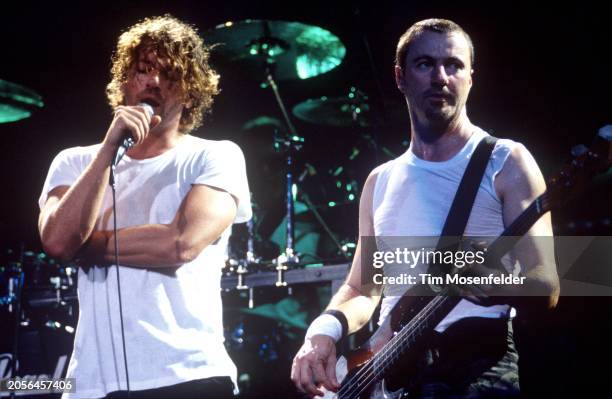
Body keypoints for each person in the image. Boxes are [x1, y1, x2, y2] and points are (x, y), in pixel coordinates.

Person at [291, 18, 559, 398]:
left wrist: (496, 284)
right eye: (425, 64)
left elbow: (546, 285)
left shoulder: (505, 160)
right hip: (392, 372)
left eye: (454, 65)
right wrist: (322, 331)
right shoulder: (379, 180)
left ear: (470, 78)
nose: (440, 77)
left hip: (475, 367)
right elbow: (361, 287)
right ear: (400, 76)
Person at [38, 15, 251, 399]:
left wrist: (85, 247)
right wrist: (108, 148)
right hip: (91, 384)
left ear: (191, 91)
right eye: (143, 70)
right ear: (124, 82)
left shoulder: (215, 156)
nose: (153, 82)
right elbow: (56, 241)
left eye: (170, 74)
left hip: (188, 376)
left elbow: (179, 245)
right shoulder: (73, 162)